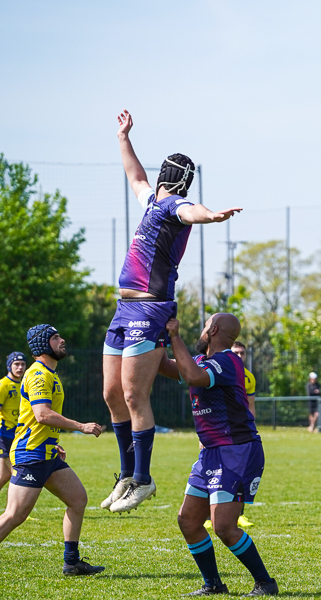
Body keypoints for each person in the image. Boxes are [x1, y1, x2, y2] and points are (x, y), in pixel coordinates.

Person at [102, 110, 242, 514]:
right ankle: (128, 474)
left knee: (133, 393)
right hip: (124, 307)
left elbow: (192, 211)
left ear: (173, 178)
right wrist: (123, 137)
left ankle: (143, 479)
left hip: (150, 307)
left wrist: (213, 215)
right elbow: (134, 177)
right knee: (111, 394)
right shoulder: (151, 201)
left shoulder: (175, 205)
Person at [157, 313, 278, 596]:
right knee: (188, 520)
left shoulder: (226, 361)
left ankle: (265, 583)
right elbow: (164, 365)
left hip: (237, 450)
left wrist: (175, 336)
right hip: (211, 452)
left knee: (224, 526)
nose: (200, 331)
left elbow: (193, 376)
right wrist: (155, 333)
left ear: (211, 330)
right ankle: (213, 585)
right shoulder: (201, 361)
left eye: (203, 326)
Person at [0, 325, 104, 575]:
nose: (62, 340)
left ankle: (72, 562)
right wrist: (81, 426)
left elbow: (37, 419)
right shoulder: (38, 375)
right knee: (15, 515)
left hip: (46, 453)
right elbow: (42, 414)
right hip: (31, 455)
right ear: (43, 345)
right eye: (56, 337)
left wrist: (52, 443)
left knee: (78, 500)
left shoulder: (50, 373)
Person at [204, 341, 256, 531]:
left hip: (239, 436)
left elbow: (250, 406)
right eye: (236, 353)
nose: (240, 356)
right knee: (212, 474)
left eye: (242, 353)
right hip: (215, 435)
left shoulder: (249, 377)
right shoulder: (217, 370)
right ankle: (210, 515)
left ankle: (239, 515)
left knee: (239, 475)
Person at [0, 351, 26, 491]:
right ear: (9, 366)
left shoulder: (23, 385)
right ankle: (17, 512)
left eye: (23, 364)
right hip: (4, 434)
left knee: (4, 476)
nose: (20, 367)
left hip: (18, 435)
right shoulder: (3, 385)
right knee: (17, 474)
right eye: (16, 364)